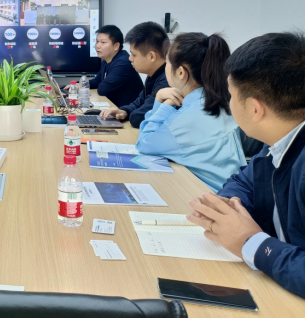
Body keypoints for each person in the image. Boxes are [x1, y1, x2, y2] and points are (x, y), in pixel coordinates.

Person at [188, 32, 305, 299]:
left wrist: (252, 243)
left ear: (254, 109)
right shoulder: (278, 140)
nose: (229, 103)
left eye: (231, 95)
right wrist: (229, 207)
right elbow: (243, 180)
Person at [136, 32, 246, 191]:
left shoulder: (189, 117)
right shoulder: (217, 102)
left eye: (167, 63)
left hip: (209, 195)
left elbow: (144, 143)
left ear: (181, 72)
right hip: (231, 191)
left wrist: (162, 103)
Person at [101, 21, 169, 128]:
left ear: (151, 56)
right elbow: (139, 102)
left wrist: (130, 114)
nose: (130, 58)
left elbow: (139, 118)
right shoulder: (153, 74)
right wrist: (124, 111)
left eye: (134, 54)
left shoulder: (167, 80)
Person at [76, 25, 142, 108]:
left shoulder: (123, 63)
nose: (97, 46)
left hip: (127, 111)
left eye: (103, 42)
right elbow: (98, 80)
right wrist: (79, 85)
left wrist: (85, 86)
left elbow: (103, 90)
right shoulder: (107, 59)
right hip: (114, 107)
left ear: (116, 46)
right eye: (97, 41)